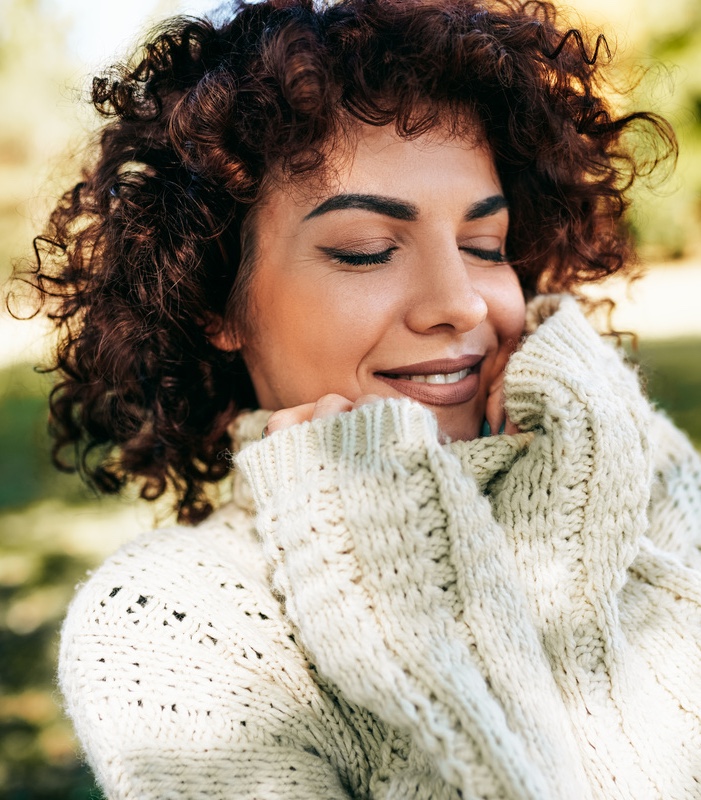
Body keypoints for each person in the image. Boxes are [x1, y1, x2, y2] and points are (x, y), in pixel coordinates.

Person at [21, 0, 701, 796]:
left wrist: (578, 486)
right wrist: (379, 569)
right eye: (366, 251)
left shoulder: (638, 468)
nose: (461, 303)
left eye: (484, 247)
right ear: (215, 302)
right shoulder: (169, 624)